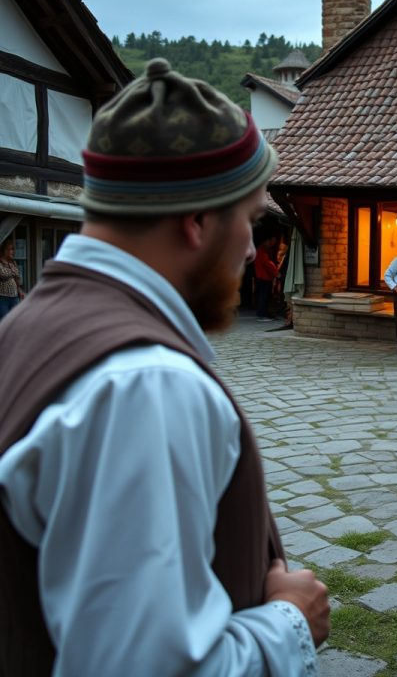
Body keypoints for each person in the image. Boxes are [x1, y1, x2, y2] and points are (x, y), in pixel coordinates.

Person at [0, 59, 329, 676]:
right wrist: (289, 623)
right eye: (252, 219)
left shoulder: (28, 328)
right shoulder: (145, 386)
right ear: (198, 221)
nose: (255, 249)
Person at [254, 236, 280, 321]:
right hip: (264, 276)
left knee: (263, 295)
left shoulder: (262, 249)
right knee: (263, 296)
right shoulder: (262, 250)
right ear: (267, 240)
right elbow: (267, 263)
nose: (273, 243)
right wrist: (276, 273)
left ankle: (263, 313)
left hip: (262, 276)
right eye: (272, 241)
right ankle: (262, 315)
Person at [0, 237, 24, 320]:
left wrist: (20, 290)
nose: (13, 252)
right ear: (5, 251)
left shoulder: (13, 263)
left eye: (13, 250)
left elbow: (18, 278)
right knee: (4, 321)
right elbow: (3, 274)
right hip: (2, 297)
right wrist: (13, 272)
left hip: (14, 296)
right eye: (11, 249)